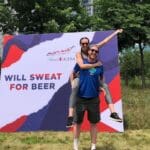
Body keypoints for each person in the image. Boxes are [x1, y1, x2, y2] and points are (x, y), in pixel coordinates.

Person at [66, 29, 123, 128]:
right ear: (80, 44)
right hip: (80, 76)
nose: (84, 45)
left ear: (88, 44)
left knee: (105, 86)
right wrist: (72, 83)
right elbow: (80, 67)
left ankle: (113, 113)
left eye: (86, 43)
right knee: (75, 88)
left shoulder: (93, 48)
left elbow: (105, 41)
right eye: (82, 43)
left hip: (92, 77)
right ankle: (70, 117)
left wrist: (116, 33)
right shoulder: (79, 54)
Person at [73, 45, 103, 150]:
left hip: (94, 99)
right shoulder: (81, 63)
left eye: (96, 51)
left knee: (94, 123)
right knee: (77, 123)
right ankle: (75, 146)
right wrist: (73, 86)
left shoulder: (100, 66)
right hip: (80, 98)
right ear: (88, 51)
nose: (94, 52)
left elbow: (101, 79)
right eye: (92, 50)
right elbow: (73, 74)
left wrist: (100, 87)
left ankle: (93, 147)